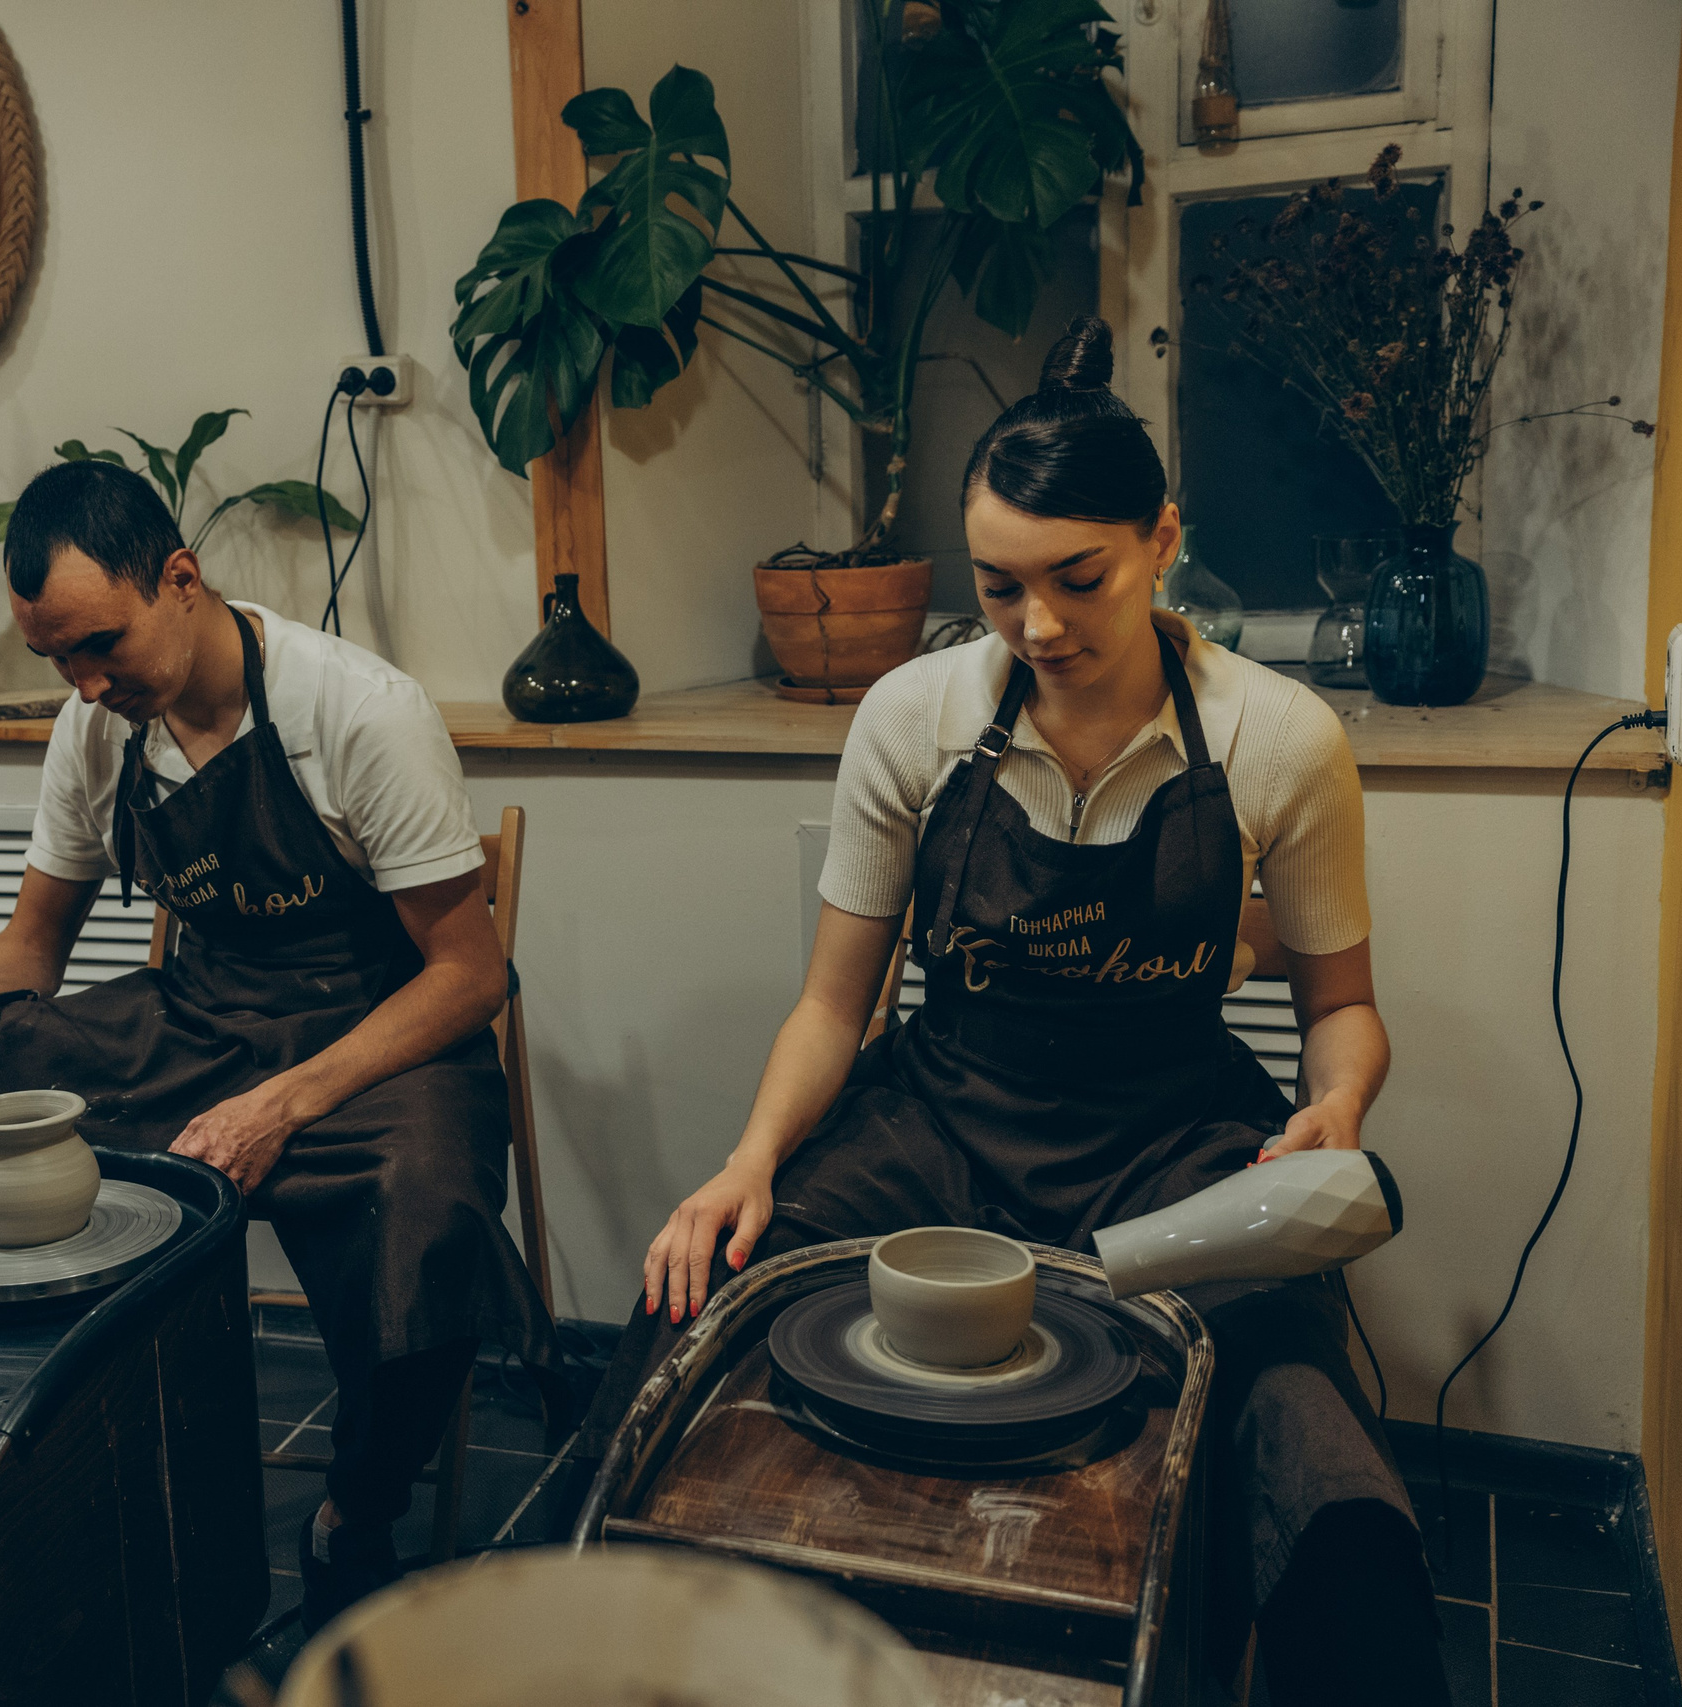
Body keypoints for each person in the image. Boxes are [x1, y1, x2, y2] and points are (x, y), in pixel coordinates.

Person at [598, 317, 1445, 1704]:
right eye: (998, 586)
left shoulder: (1281, 738)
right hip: (938, 1116)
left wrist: (1335, 1109)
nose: (1039, 624)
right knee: (688, 1312)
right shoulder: (912, 718)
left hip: (1177, 1139)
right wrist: (743, 1164)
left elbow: (1344, 1004)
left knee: (1305, 1419)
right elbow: (833, 1002)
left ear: (1161, 539)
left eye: (1079, 577)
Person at [0, 458, 557, 1629]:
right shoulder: (98, 728)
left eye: (100, 644)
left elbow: (470, 978)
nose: (85, 679)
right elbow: (32, 952)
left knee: (428, 1206)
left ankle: (355, 1512)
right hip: (196, 1017)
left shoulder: (359, 713)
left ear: (180, 578)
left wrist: (290, 1104)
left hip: (371, 1035)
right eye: (59, 658)